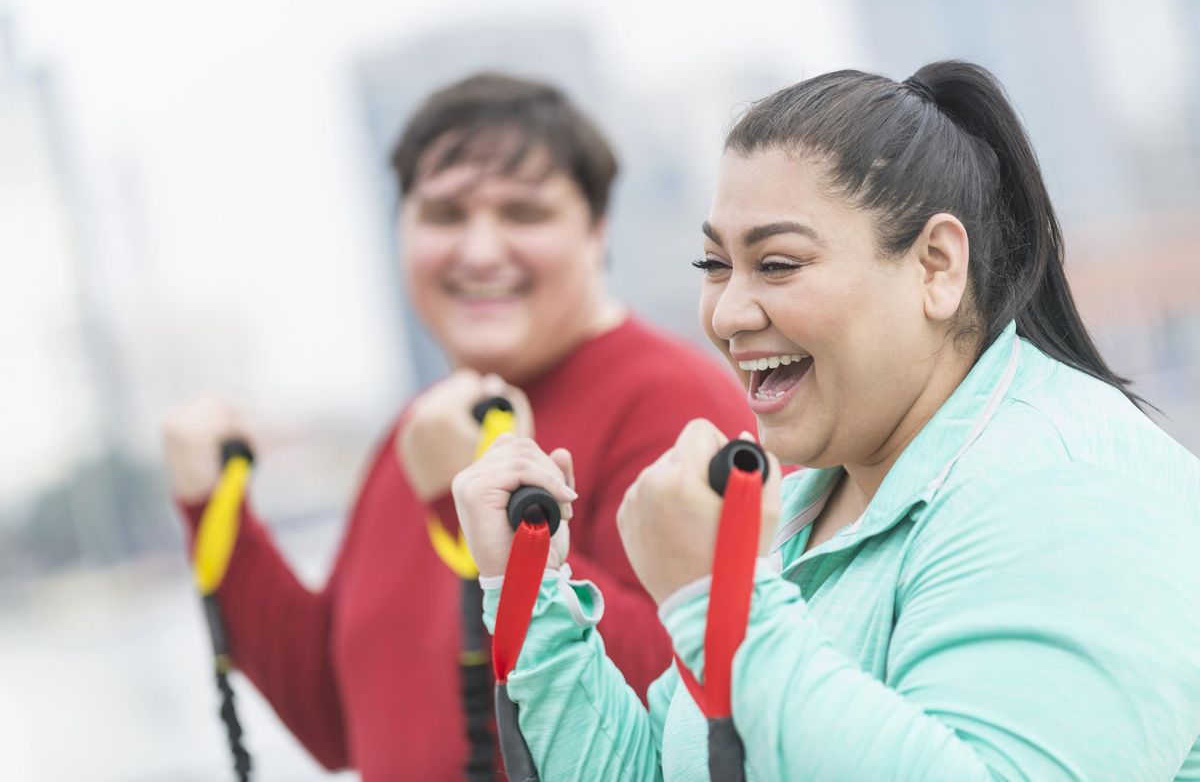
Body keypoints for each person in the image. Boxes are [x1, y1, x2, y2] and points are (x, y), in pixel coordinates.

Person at [453, 60, 1200, 780]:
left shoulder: (1068, 485)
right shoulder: (801, 504)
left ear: (936, 265)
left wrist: (720, 601)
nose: (729, 312)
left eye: (776, 264)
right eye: (714, 266)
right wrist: (532, 591)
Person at [163, 72, 754, 780]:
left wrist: (467, 503)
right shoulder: (420, 430)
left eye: (523, 213)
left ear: (596, 232)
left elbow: (698, 696)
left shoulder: (670, 402)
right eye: (444, 214)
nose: (478, 251)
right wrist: (213, 512)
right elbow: (335, 719)